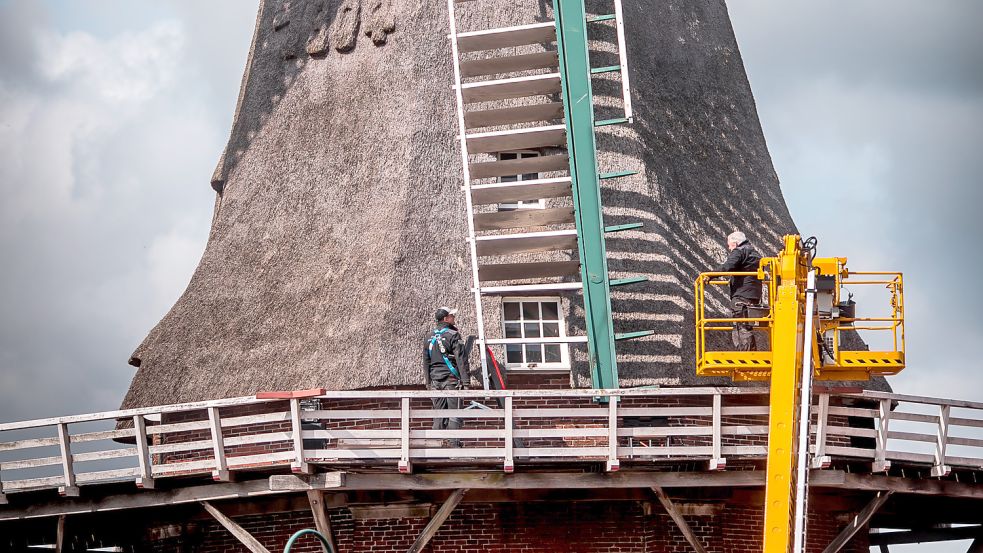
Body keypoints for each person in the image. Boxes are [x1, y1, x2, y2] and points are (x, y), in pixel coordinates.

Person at [424, 306, 469, 446]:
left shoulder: (428, 336)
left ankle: (436, 446)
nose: (453, 318)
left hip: (435, 381)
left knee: (438, 414)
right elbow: (461, 359)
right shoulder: (453, 335)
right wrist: (466, 381)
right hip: (451, 379)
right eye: (452, 316)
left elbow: (426, 361)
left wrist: (428, 382)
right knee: (454, 413)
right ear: (446, 318)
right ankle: (453, 445)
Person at [717, 231, 763, 351]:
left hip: (741, 295)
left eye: (730, 245)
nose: (729, 247)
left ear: (736, 243)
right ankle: (750, 353)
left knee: (740, 326)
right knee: (746, 325)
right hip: (753, 295)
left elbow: (728, 266)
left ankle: (746, 356)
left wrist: (709, 275)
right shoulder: (755, 253)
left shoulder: (740, 251)